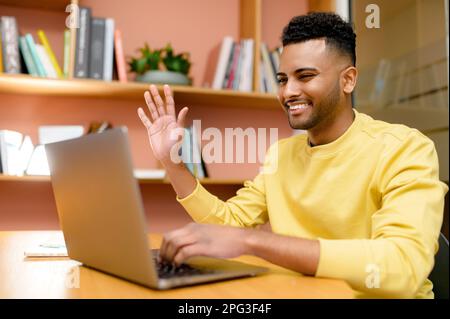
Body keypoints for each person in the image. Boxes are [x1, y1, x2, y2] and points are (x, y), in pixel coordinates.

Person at [137, 12, 448, 298]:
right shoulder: (281, 155)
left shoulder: (405, 148)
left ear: (348, 79)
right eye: (283, 79)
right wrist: (172, 163)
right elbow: (231, 223)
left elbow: (402, 266)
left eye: (306, 76)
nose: (287, 92)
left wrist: (253, 242)